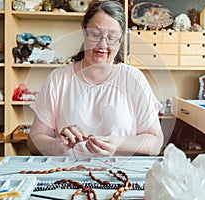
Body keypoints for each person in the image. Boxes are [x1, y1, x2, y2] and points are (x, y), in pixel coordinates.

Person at [27, 0, 163, 157]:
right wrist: (56, 145)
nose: (102, 44)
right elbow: (34, 142)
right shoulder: (58, 79)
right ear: (84, 34)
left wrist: (119, 143)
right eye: (95, 34)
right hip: (68, 175)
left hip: (121, 176)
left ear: (120, 41)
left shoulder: (134, 79)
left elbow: (156, 143)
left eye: (112, 37)